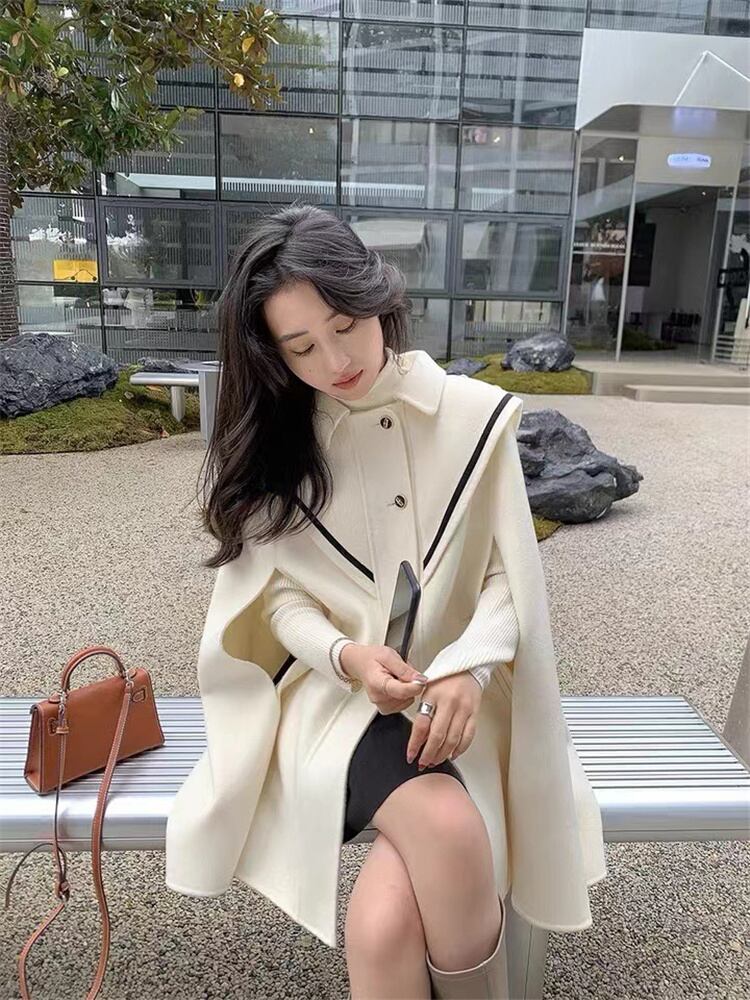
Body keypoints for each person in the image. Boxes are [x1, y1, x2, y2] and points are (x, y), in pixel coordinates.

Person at [165, 203, 607, 1000]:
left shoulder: (473, 418)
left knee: (381, 926)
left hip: (466, 704)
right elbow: (279, 601)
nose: (334, 360)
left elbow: (510, 578)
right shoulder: (285, 444)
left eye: (344, 327)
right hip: (333, 705)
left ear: (375, 297)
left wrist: (469, 667)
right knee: (447, 830)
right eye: (301, 347)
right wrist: (346, 656)